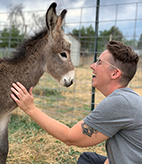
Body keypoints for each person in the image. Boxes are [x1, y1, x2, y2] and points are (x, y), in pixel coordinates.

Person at [10, 40, 142, 164]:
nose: (92, 66)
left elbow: (70, 137)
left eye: (99, 62)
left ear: (115, 74)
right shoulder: (128, 99)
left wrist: (30, 108)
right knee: (88, 158)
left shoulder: (119, 103)